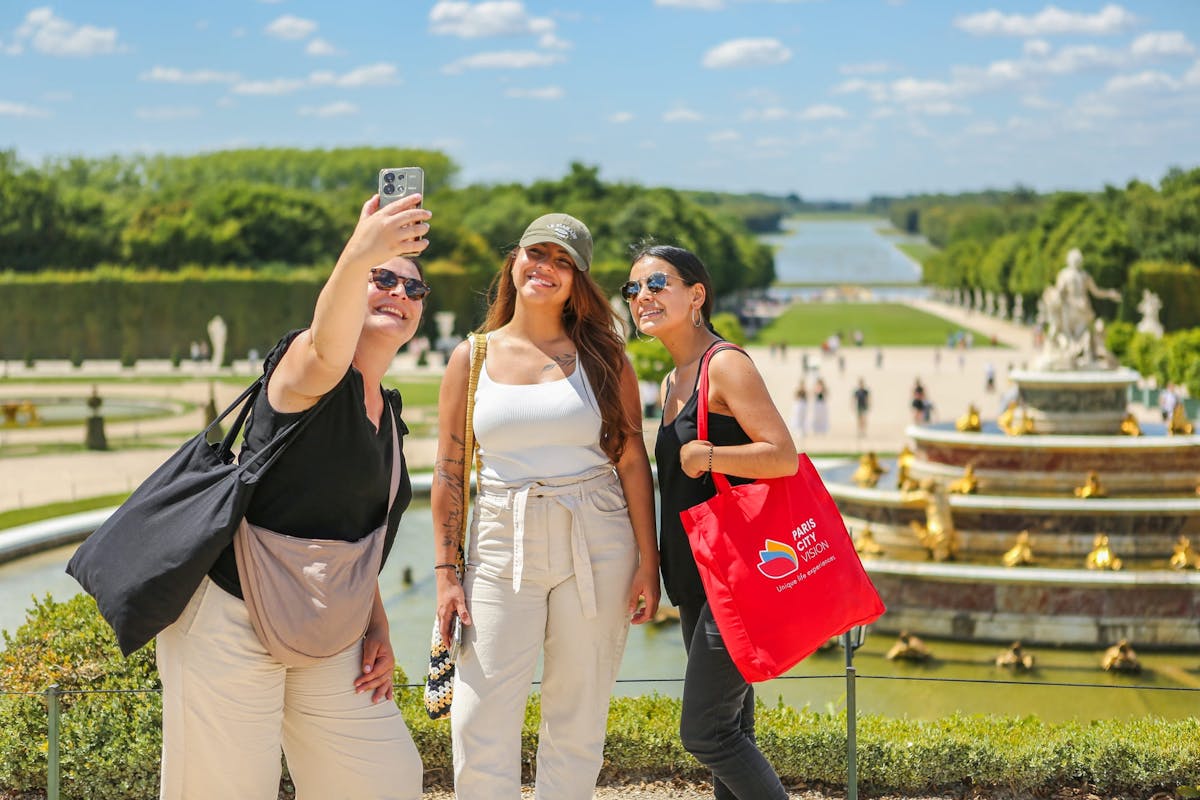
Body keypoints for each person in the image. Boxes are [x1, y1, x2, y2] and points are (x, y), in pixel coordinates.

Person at [156, 192, 432, 799]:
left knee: (382, 781)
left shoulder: (387, 413)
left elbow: (352, 531)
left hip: (328, 630)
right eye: (382, 278)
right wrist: (362, 248)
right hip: (231, 615)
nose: (400, 294)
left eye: (414, 289)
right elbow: (331, 341)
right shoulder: (307, 367)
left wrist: (376, 623)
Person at [432, 213, 660, 800]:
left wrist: (648, 562)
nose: (547, 268)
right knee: (479, 715)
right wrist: (445, 575)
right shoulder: (472, 357)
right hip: (499, 537)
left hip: (598, 535)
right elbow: (451, 470)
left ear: (578, 280)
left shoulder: (604, 354)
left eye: (564, 261)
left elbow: (632, 458)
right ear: (514, 261)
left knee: (578, 716)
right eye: (538, 253)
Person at [625, 243, 796, 800]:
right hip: (697, 576)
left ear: (696, 295)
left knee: (705, 732)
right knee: (732, 729)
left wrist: (711, 458)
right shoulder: (674, 379)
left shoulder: (724, 364)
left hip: (738, 579)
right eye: (633, 289)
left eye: (657, 283)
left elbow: (783, 455)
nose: (642, 297)